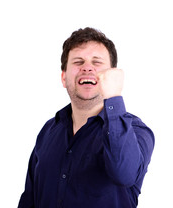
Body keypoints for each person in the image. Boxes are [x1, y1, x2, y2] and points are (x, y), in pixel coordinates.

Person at [17, 27, 155, 208]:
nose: (87, 67)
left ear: (111, 76)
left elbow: (124, 174)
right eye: (78, 62)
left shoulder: (137, 131)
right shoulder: (48, 131)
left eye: (97, 62)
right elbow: (29, 199)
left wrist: (113, 97)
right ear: (63, 77)